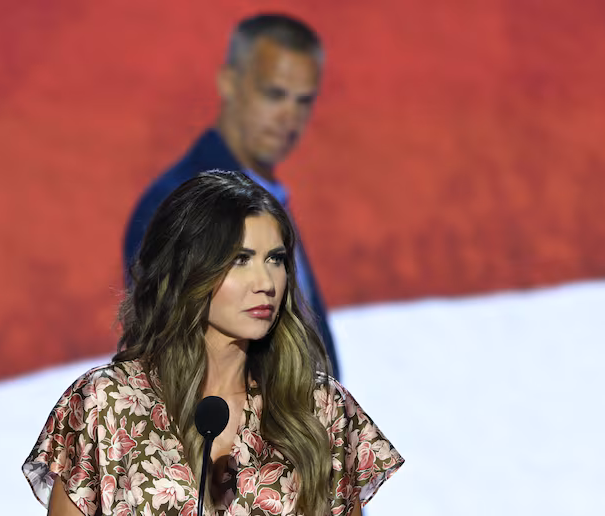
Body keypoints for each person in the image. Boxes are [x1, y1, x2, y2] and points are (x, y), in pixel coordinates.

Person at [24, 171, 403, 516]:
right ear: (188, 269)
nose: (266, 283)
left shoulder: (321, 410)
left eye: (275, 259)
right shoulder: (106, 405)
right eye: (240, 260)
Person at [124, 13, 341, 380]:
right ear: (229, 82)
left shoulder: (267, 198)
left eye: (303, 100)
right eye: (274, 94)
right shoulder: (176, 201)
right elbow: (169, 353)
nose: (289, 116)